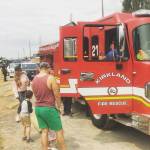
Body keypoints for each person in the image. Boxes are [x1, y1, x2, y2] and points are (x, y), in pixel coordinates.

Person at [32, 62, 67, 150]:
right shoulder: (51, 78)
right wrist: (59, 106)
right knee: (59, 131)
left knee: (44, 132)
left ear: (40, 68)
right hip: (49, 109)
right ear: (47, 68)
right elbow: (57, 94)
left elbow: (35, 94)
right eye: (50, 69)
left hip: (38, 109)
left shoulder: (34, 79)